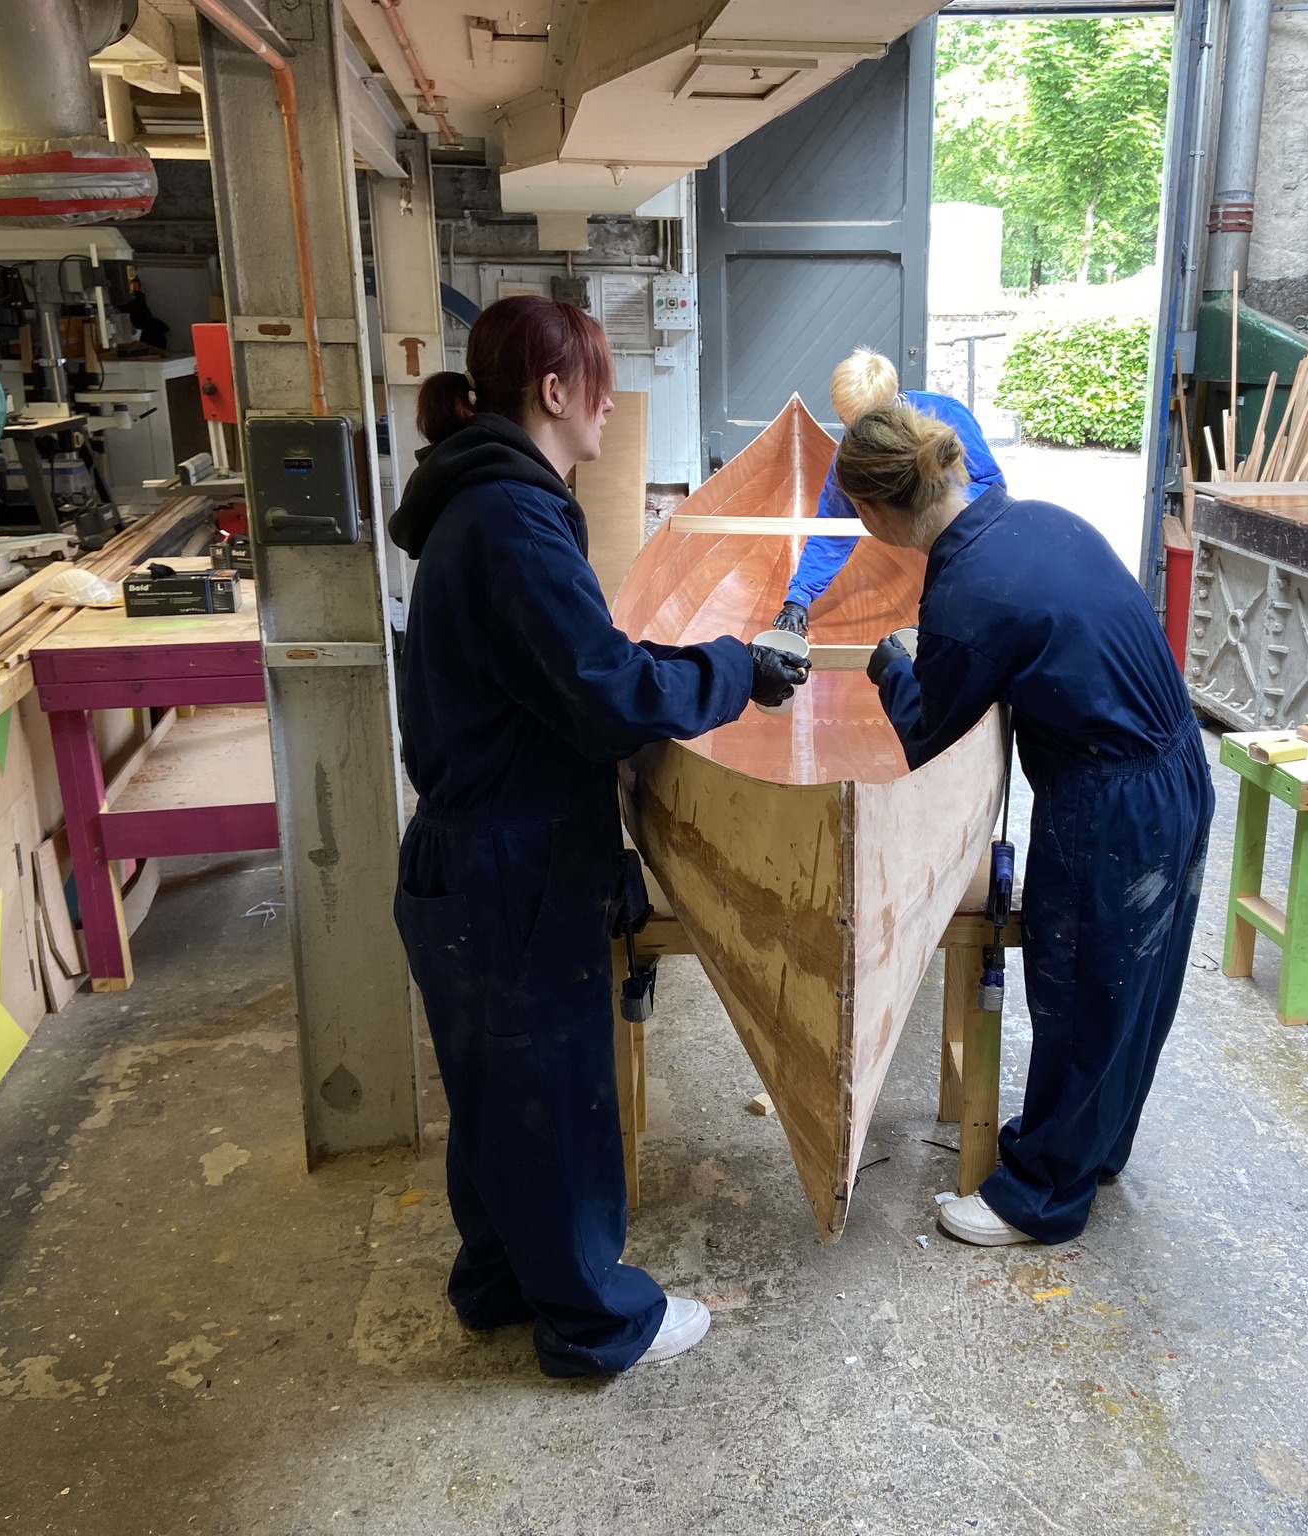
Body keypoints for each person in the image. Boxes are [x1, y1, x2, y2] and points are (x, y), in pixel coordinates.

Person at [386, 296, 810, 1375]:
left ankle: (496, 1282)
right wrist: (732, 668)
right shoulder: (512, 519)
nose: (614, 403)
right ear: (554, 391)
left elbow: (558, 677)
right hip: (510, 862)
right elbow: (605, 692)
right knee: (551, 1095)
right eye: (599, 381)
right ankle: (592, 1321)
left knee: (492, 1093)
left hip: (466, 849)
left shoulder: (474, 509)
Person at [841, 404, 1214, 1247]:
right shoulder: (1040, 518)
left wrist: (893, 666)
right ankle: (1094, 1146)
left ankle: (1040, 1195)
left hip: (1111, 802)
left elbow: (929, 738)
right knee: (1134, 991)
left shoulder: (964, 590)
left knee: (1081, 990)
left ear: (873, 514)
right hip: (1180, 768)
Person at [770, 348, 1006, 636]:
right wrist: (799, 597)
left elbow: (992, 487)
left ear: (890, 405)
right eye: (850, 426)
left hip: (957, 536)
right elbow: (834, 528)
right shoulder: (850, 455)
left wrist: (936, 513)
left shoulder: (946, 413)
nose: (859, 436)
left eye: (867, 425)